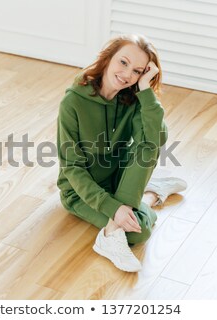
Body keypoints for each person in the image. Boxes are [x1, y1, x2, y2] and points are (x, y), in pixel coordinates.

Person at [56, 34, 187, 272]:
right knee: (140, 232)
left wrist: (145, 91)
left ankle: (111, 234)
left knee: (148, 146)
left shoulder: (134, 97)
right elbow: (72, 167)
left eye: (138, 71)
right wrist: (112, 207)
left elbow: (156, 140)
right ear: (107, 58)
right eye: (123, 62)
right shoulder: (72, 102)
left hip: (119, 175)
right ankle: (150, 195)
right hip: (81, 192)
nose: (127, 75)